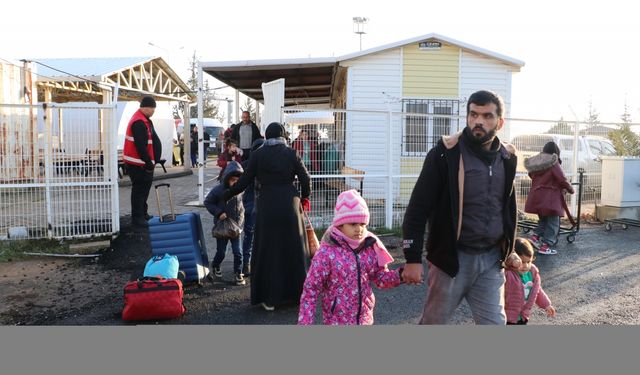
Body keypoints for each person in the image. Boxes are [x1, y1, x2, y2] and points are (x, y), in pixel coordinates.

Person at [401, 90, 521, 325]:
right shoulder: (445, 153)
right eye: (473, 114)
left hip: (490, 260)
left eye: (487, 116)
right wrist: (412, 258)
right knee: (433, 324)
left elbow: (506, 206)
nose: (479, 121)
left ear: (500, 122)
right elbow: (418, 207)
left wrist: (509, 248)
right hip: (451, 260)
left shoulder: (507, 158)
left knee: (495, 325)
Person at [223, 122, 311, 311]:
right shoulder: (291, 153)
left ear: (266, 136)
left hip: (267, 204)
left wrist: (226, 194)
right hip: (290, 205)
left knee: (268, 251)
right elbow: (306, 179)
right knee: (294, 250)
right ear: (283, 136)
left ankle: (269, 299)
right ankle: (297, 295)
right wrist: (304, 197)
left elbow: (244, 181)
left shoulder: (258, 155)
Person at [298, 190, 403, 325]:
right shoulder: (327, 253)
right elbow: (311, 289)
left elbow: (380, 278)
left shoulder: (370, 247)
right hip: (336, 321)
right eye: (353, 224)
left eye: (362, 224)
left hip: (364, 319)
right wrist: (305, 321)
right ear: (340, 225)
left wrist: (401, 275)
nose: (359, 229)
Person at [524, 141, 575, 255]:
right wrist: (570, 189)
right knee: (553, 223)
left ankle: (535, 237)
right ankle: (546, 246)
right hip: (550, 198)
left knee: (543, 220)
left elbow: (532, 176)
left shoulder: (536, 163)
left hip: (536, 196)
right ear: (556, 152)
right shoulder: (553, 163)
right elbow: (562, 179)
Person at [204, 160, 246, 286]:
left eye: (237, 180)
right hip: (222, 226)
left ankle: (238, 273)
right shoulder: (218, 190)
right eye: (232, 180)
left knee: (238, 252)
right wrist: (218, 213)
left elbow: (243, 205)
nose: (235, 183)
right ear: (227, 178)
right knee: (221, 252)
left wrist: (242, 218)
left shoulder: (241, 190)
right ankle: (216, 265)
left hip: (236, 227)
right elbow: (208, 202)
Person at [122, 95, 162, 228]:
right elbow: (140, 146)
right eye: (152, 109)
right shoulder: (138, 122)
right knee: (139, 191)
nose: (154, 111)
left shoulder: (145, 120)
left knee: (144, 191)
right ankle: (137, 217)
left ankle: (143, 213)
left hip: (143, 163)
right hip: (138, 164)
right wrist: (148, 162)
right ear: (146, 108)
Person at [504, 238, 556, 324]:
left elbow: (537, 290)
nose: (526, 265)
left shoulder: (532, 272)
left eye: (529, 261)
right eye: (522, 262)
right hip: (507, 316)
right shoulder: (508, 274)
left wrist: (546, 305)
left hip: (523, 315)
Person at [240, 138, 265, 277]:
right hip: (259, 206)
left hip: (249, 205)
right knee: (258, 236)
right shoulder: (267, 165)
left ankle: (247, 264)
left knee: (249, 236)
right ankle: (253, 264)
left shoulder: (245, 164)